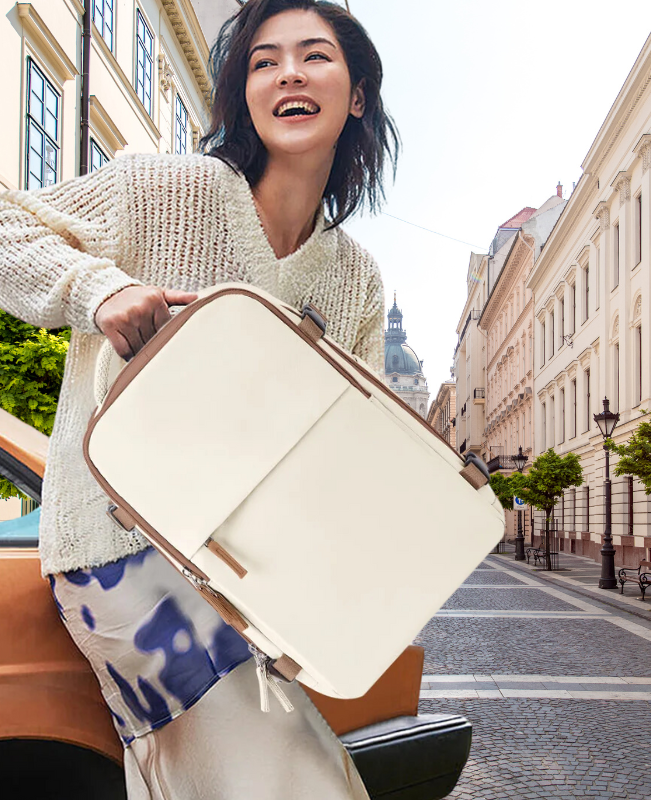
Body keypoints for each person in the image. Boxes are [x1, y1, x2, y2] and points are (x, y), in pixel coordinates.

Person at [0, 0, 398, 796]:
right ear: (245, 96)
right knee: (297, 780)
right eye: (263, 61)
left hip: (250, 580)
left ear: (356, 95)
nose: (288, 71)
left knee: (196, 780)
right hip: (120, 554)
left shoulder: (355, 278)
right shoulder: (161, 189)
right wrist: (96, 288)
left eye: (315, 55)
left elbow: (357, 441)